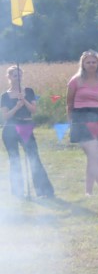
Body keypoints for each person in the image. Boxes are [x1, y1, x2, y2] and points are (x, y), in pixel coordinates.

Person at [67, 50, 98, 197]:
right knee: (94, 156)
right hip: (81, 118)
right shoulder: (75, 80)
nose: (91, 64)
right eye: (88, 62)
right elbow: (69, 103)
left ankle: (88, 191)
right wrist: (71, 122)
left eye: (94, 62)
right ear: (83, 64)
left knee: (93, 157)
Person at [1, 66, 54, 198]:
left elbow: (33, 110)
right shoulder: (4, 96)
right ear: (9, 77)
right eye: (15, 75)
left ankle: (43, 191)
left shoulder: (29, 91)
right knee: (15, 159)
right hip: (10, 128)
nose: (18, 78)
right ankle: (18, 192)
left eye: (20, 75)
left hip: (26, 126)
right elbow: (5, 116)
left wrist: (23, 100)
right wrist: (16, 106)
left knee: (34, 157)